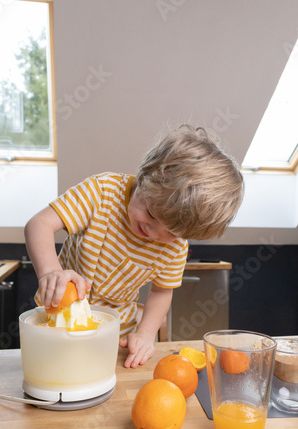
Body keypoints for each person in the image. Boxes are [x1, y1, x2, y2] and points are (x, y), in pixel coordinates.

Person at [24, 124, 244, 368]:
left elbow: (162, 292)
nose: (154, 232)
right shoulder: (102, 193)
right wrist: (51, 271)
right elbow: (39, 224)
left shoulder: (175, 248)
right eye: (150, 212)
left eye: (171, 232)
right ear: (144, 178)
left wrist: (146, 334)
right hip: (55, 321)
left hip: (114, 337)